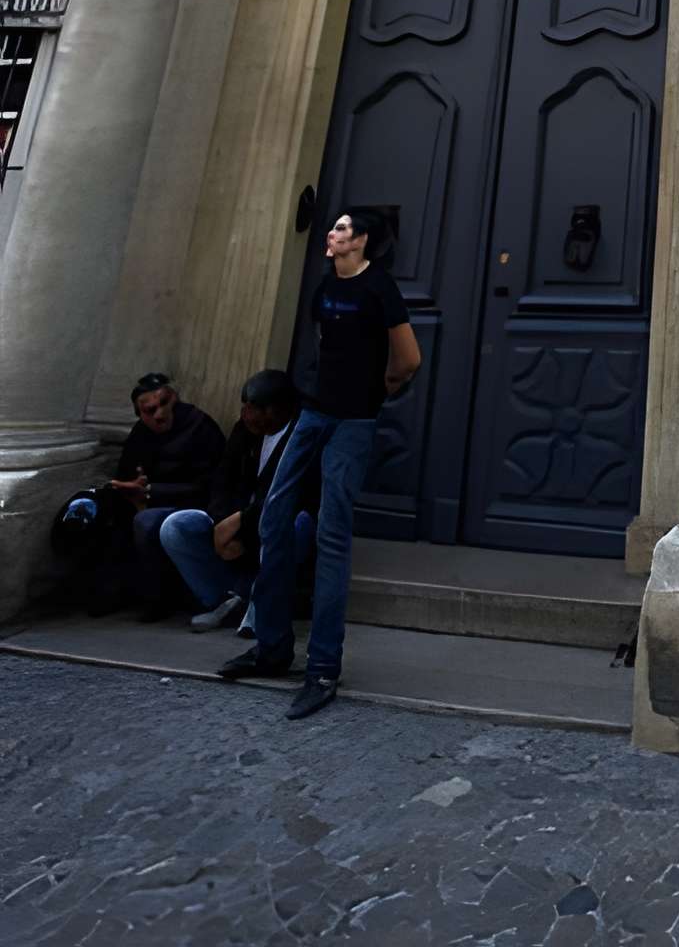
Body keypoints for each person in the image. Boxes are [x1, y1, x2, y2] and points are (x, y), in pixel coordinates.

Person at [221, 207, 420, 720]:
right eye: (332, 227)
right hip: (313, 413)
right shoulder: (324, 285)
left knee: (332, 534)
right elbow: (324, 343)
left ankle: (323, 668)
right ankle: (272, 647)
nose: (331, 234)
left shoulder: (380, 289)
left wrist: (379, 391)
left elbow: (408, 358)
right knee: (272, 518)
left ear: (363, 241)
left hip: (353, 422)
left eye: (341, 229)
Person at [54, 373, 225, 617]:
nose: (159, 414)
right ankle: (105, 591)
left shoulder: (200, 427)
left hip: (186, 504)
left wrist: (151, 492)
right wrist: (128, 487)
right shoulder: (142, 433)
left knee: (146, 522)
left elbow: (209, 485)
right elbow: (127, 472)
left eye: (164, 404)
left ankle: (155, 599)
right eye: (150, 410)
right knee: (93, 509)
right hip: (142, 499)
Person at [159, 369, 316, 631]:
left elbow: (291, 496)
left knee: (299, 524)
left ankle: (257, 604)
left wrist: (241, 526)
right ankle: (224, 600)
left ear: (276, 410)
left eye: (254, 409)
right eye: (244, 407)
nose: (246, 415)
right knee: (176, 526)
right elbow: (222, 481)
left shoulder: (301, 437)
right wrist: (222, 523)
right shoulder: (244, 431)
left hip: (271, 525)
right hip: (234, 526)